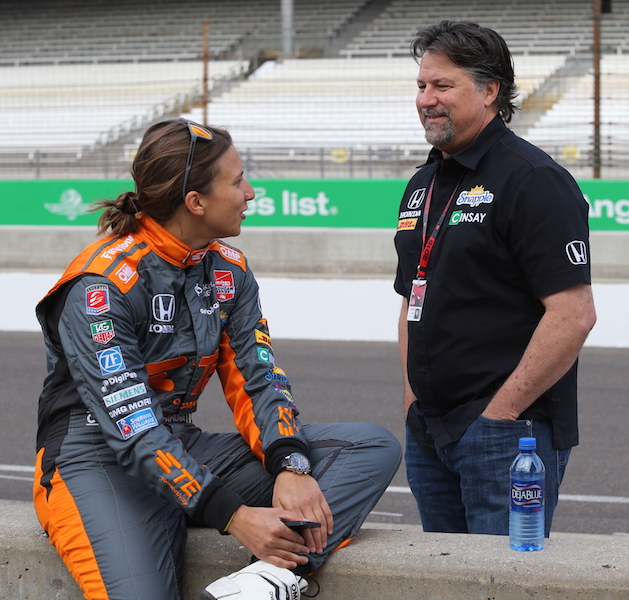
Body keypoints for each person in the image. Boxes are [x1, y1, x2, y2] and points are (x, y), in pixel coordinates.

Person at [34, 118, 402, 600]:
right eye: (238, 181)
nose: (251, 192)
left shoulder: (229, 270)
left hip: (180, 443)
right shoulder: (99, 286)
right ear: (196, 202)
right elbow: (132, 429)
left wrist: (290, 465)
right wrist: (234, 515)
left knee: (368, 448)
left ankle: (261, 582)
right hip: (96, 460)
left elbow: (259, 379)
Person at [394, 21, 596, 537]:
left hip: (508, 435)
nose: (426, 99)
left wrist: (499, 416)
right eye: (421, 85)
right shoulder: (422, 184)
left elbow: (573, 315)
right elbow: (411, 299)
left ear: (489, 91)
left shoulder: (533, 179)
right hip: (430, 432)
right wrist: (413, 403)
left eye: (443, 85)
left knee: (499, 576)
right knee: (443, 575)